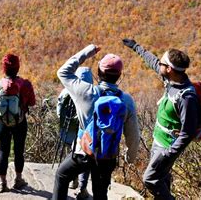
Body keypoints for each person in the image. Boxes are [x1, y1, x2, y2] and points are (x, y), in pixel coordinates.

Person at [53, 44, 140, 200]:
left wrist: (89, 51)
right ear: (119, 76)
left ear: (98, 73)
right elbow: (133, 135)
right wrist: (130, 157)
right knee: (100, 193)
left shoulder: (85, 92)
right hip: (108, 155)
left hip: (84, 152)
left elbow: (63, 72)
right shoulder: (126, 100)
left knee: (62, 176)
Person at [122, 38, 201, 200]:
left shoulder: (187, 97)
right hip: (159, 141)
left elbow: (188, 132)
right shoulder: (171, 80)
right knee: (162, 177)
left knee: (150, 179)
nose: (159, 65)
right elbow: (153, 62)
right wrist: (136, 47)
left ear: (170, 69)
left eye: (162, 64)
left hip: (166, 146)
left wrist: (169, 153)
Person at [0, 53, 36, 193]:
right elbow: (32, 103)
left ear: (4, 68)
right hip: (20, 122)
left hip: (2, 123)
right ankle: (18, 180)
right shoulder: (25, 84)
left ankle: (2, 183)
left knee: (3, 152)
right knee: (18, 152)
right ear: (18, 67)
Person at [56, 67, 92, 198]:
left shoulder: (66, 92)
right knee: (83, 158)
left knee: (71, 156)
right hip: (83, 135)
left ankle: (73, 180)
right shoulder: (92, 93)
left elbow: (59, 113)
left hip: (67, 132)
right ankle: (82, 188)